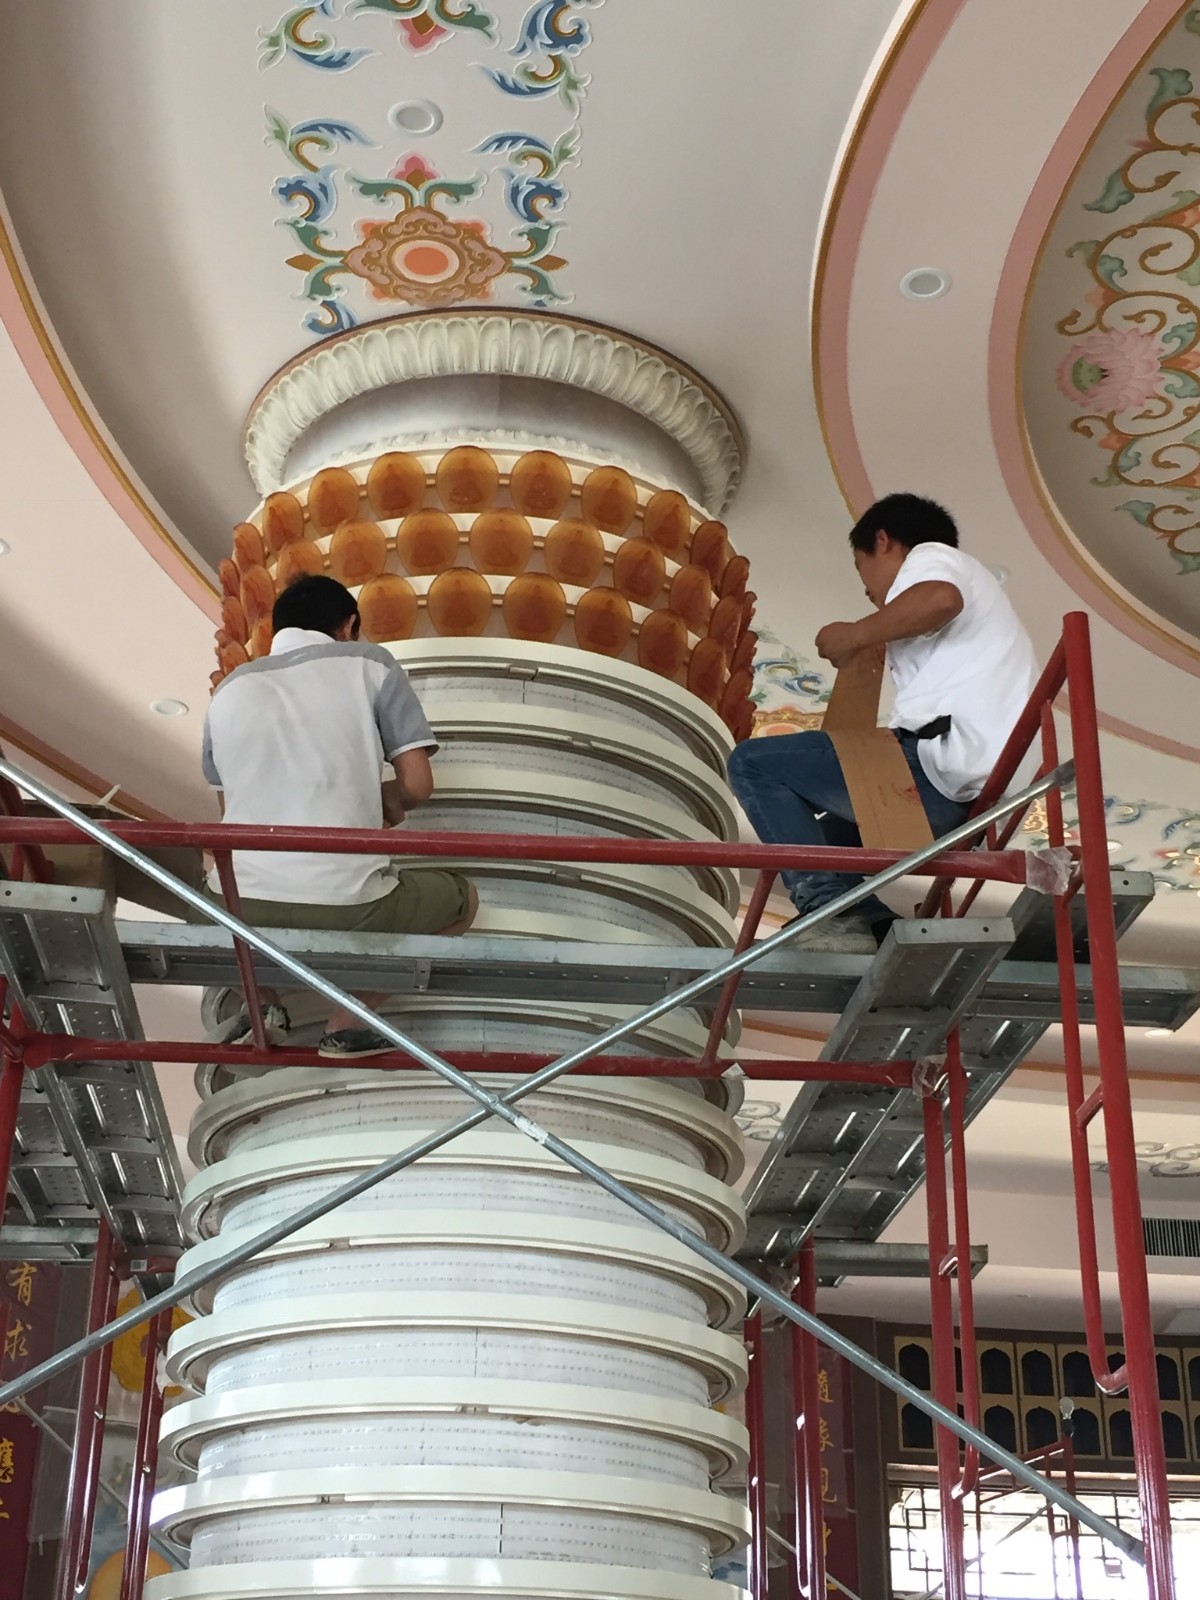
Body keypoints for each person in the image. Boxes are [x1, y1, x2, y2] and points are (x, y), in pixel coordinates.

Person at [727, 493, 1037, 953]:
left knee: (753, 764)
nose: (867, 591)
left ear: (884, 541)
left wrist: (855, 633)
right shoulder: (976, 615)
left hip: (944, 770)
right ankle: (874, 926)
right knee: (828, 841)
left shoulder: (932, 557)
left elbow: (940, 598)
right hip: (973, 799)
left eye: (862, 568)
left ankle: (827, 912)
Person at [200, 573, 476, 1056]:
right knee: (461, 900)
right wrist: (389, 801)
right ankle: (348, 1020)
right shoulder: (370, 664)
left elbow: (230, 815)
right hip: (347, 903)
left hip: (238, 905)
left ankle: (263, 1005)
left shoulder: (228, 690)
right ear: (348, 625)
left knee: (204, 900)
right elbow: (417, 784)